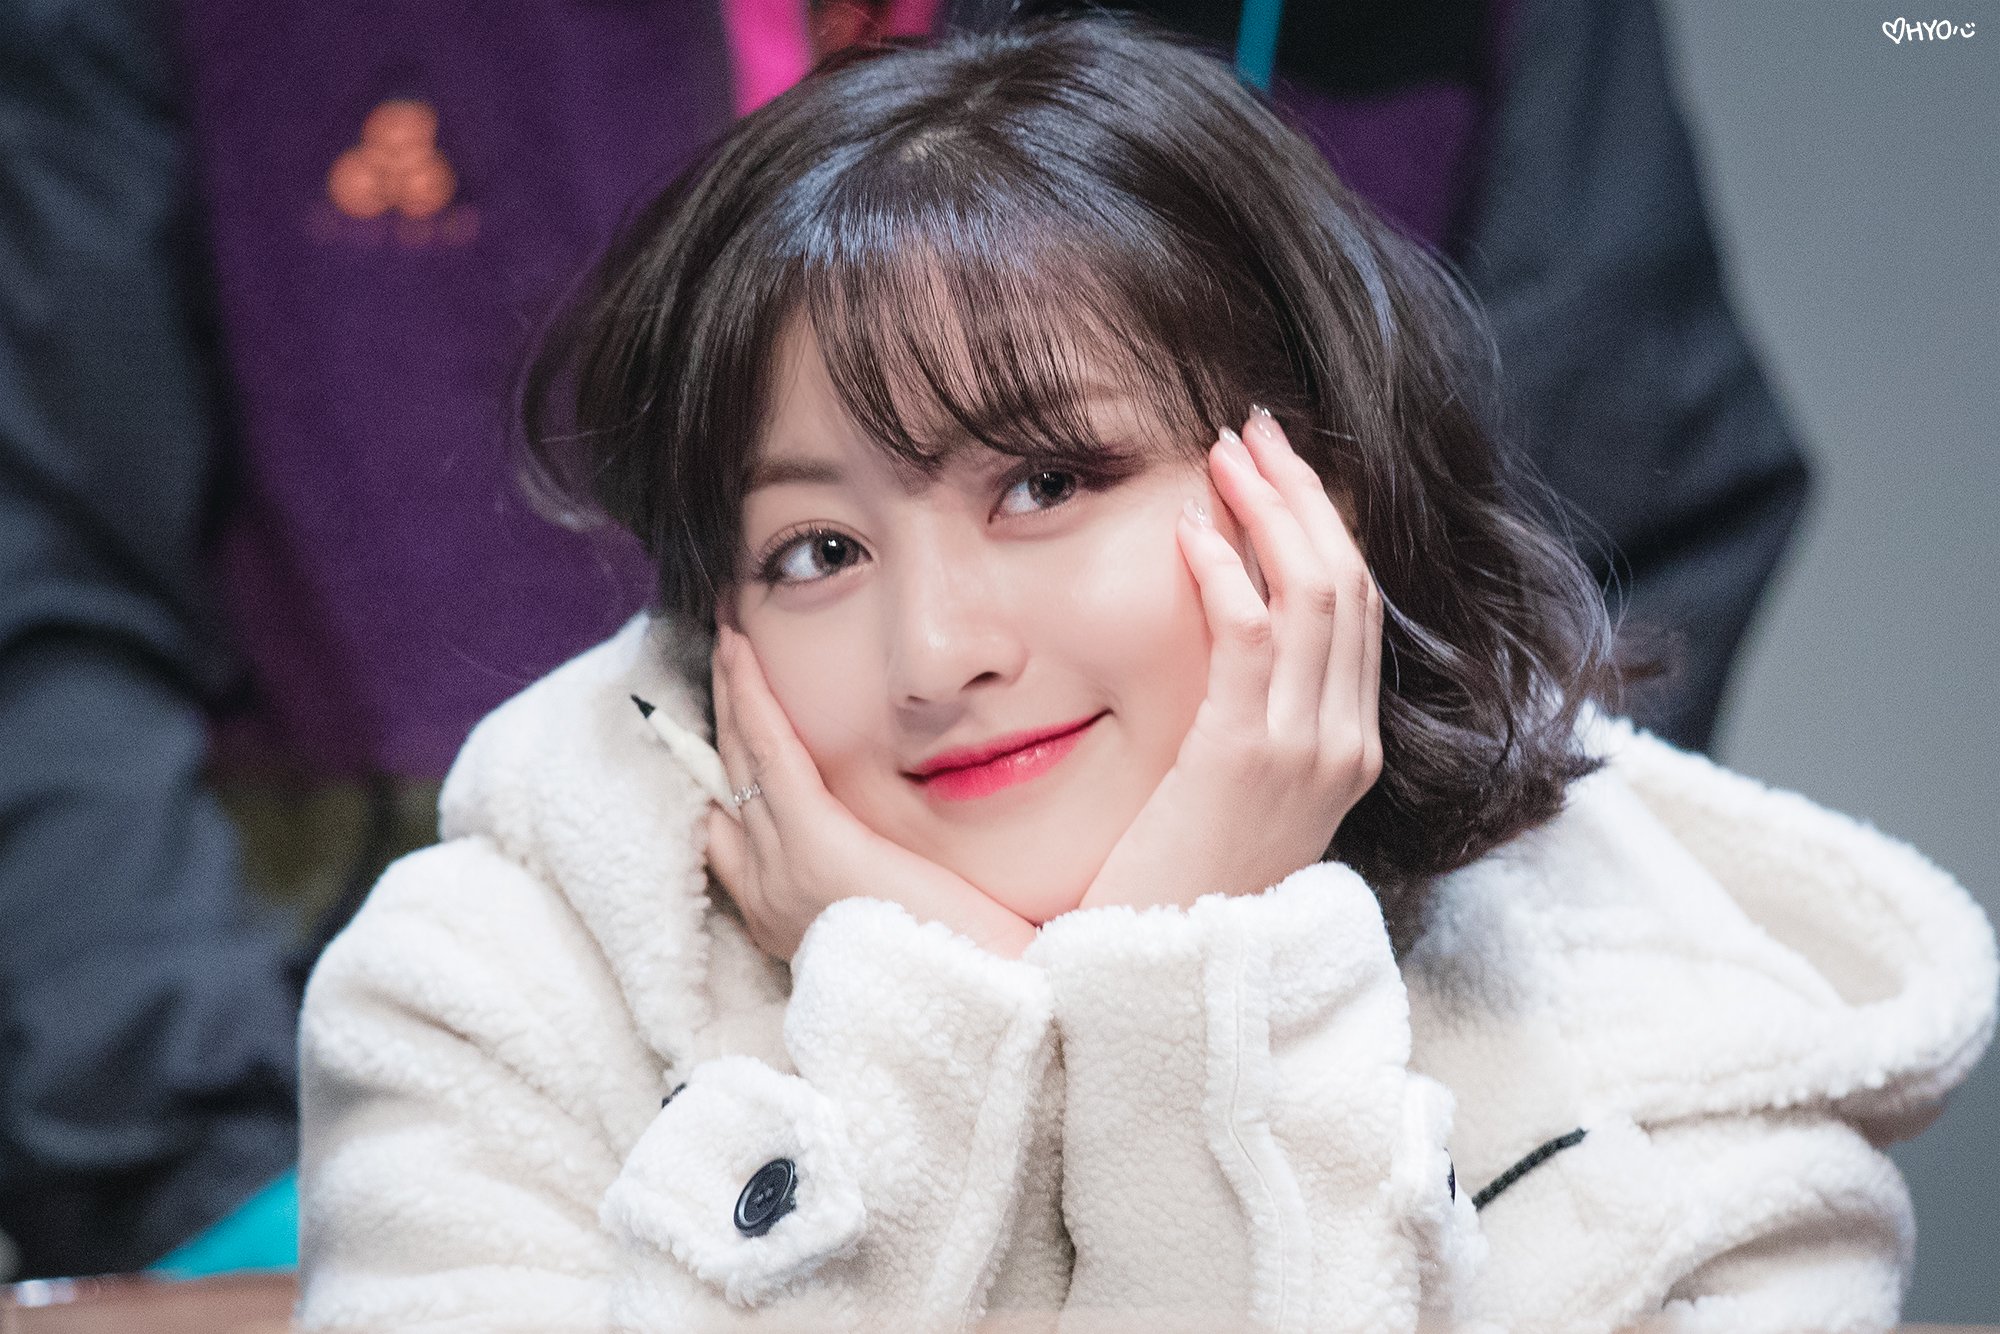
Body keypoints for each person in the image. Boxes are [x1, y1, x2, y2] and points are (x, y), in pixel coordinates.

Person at [291, 16, 1994, 1332]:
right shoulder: (494, 996)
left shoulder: (1686, 1054)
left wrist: (1187, 994)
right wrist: (930, 1021)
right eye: (816, 550)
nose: (936, 653)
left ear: (1315, 488)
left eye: (1046, 480)